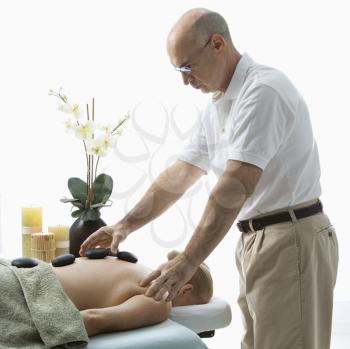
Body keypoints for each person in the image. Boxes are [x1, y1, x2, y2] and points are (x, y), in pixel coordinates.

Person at [79, 8, 338, 349]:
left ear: (217, 44)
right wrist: (124, 226)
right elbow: (180, 174)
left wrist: (188, 261)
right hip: (257, 240)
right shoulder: (220, 105)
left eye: (187, 66)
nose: (185, 80)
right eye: (178, 70)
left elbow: (234, 187)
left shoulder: (263, 92)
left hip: (289, 239)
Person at [53, 250, 213, 337]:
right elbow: (93, 320)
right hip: (38, 296)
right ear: (186, 289)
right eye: (193, 304)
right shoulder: (159, 298)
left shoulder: (135, 267)